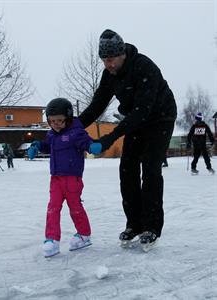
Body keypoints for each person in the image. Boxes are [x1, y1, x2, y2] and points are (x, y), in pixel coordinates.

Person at [80, 29, 177, 251]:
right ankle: (134, 224)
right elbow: (97, 105)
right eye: (104, 60)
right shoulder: (109, 75)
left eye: (111, 59)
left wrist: (111, 137)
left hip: (160, 118)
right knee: (127, 170)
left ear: (122, 54)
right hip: (134, 120)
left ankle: (151, 227)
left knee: (151, 169)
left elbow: (143, 111)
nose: (108, 65)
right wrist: (71, 125)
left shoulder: (145, 67)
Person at [28, 98, 93, 258]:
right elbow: (47, 145)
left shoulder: (76, 132)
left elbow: (86, 142)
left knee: (75, 208)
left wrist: (92, 146)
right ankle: (52, 239)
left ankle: (84, 235)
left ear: (68, 118)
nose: (56, 124)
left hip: (72, 178)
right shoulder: (52, 134)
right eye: (52, 121)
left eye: (59, 120)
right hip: (56, 178)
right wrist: (37, 145)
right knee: (53, 208)